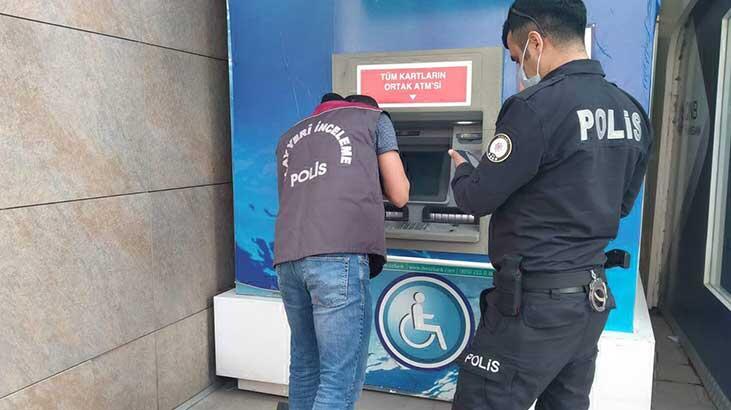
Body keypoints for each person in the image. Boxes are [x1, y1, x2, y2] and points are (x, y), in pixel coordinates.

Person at [448, 1, 652, 409]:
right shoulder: (632, 111)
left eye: (516, 56)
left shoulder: (534, 107)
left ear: (536, 42)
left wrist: (462, 170)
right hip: (590, 300)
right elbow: (621, 204)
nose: (520, 67)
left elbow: (476, 198)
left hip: (533, 309)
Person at [273, 92, 409, 410]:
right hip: (338, 254)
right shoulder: (374, 119)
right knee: (338, 380)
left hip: (289, 256)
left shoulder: (290, 135)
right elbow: (400, 193)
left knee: (305, 366)